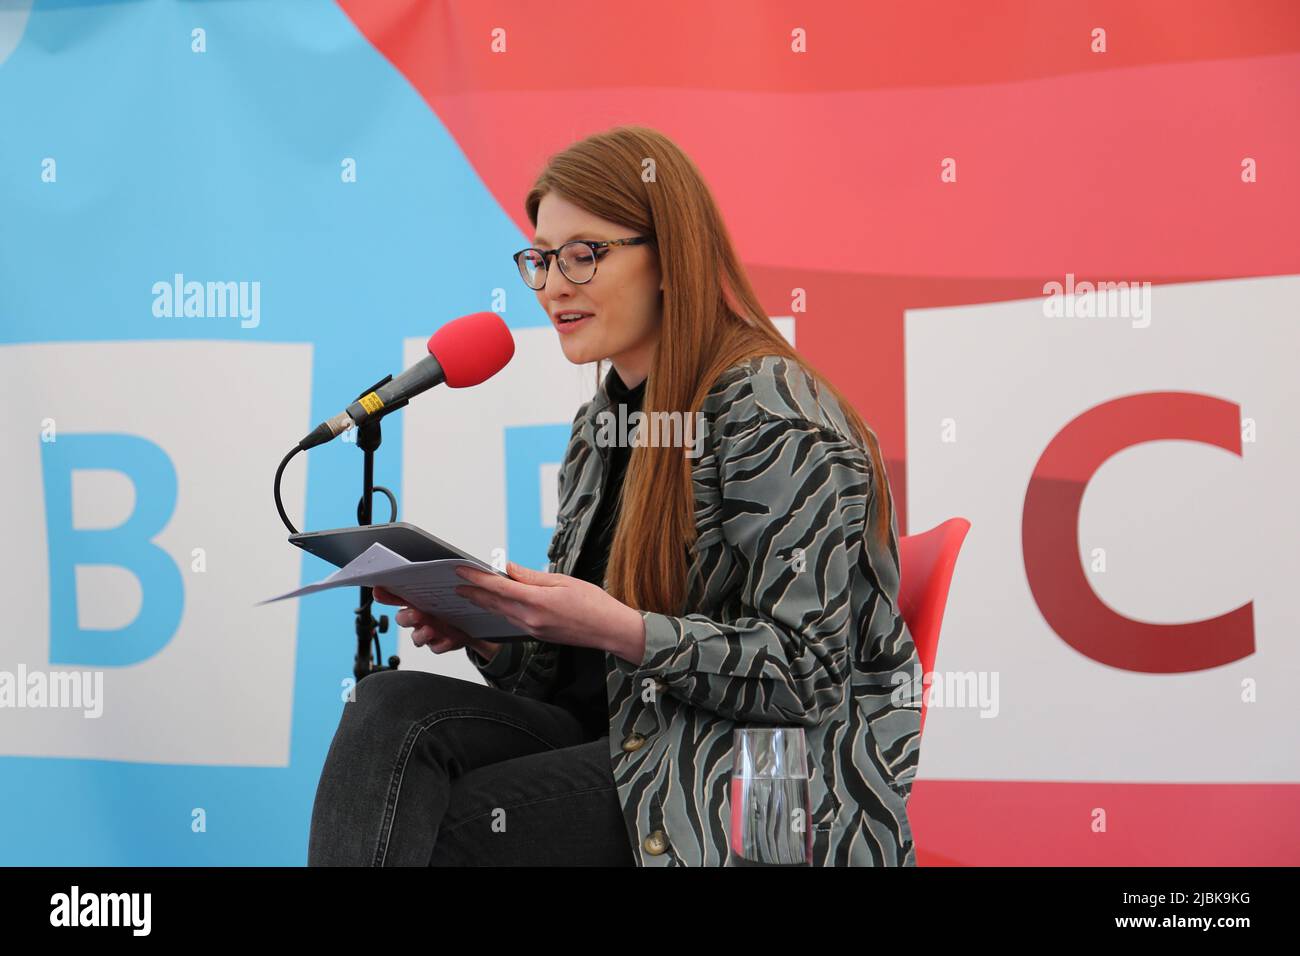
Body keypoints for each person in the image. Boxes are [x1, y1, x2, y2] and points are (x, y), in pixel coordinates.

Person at [307, 125, 921, 866]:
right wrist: (489, 633)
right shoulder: (603, 423)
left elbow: (807, 676)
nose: (553, 285)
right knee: (386, 709)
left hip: (761, 781)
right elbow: (570, 688)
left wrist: (624, 629)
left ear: (669, 257)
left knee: (446, 827)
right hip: (635, 736)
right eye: (541, 259)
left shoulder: (770, 407)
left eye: (583, 255)